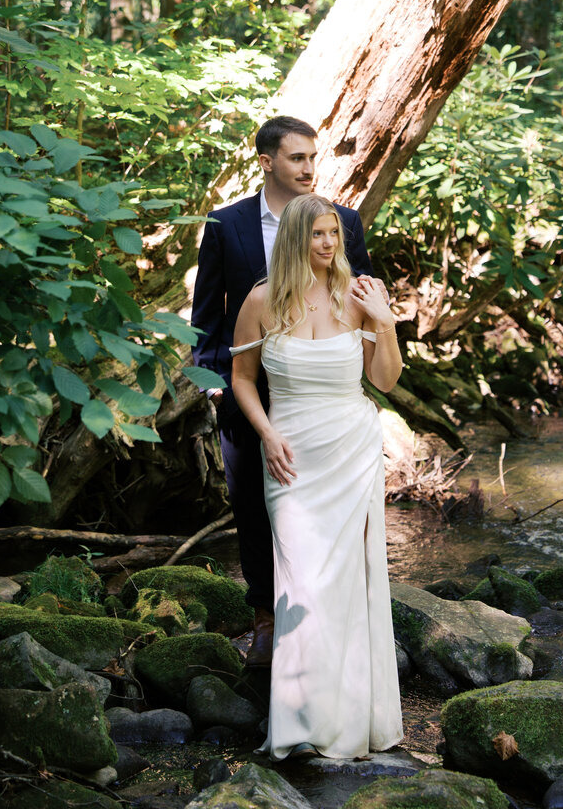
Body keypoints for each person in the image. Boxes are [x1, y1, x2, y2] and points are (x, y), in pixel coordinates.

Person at [191, 116, 374, 665]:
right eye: (296, 158)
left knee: (322, 506)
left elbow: (360, 294)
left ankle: (331, 620)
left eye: (312, 157)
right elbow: (206, 317)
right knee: (252, 504)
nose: (309, 169)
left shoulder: (340, 221)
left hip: (320, 389)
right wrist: (215, 385)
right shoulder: (227, 225)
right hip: (247, 389)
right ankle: (266, 617)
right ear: (267, 162)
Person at [230, 194, 403, 760]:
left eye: (334, 233)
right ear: (294, 240)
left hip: (351, 449)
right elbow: (242, 378)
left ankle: (347, 716)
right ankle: (300, 720)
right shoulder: (260, 301)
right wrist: (266, 434)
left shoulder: (355, 295)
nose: (329, 244)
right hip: (290, 455)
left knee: (345, 582)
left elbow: (385, 381)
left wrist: (383, 322)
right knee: (301, 581)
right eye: (318, 235)